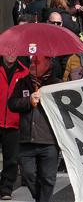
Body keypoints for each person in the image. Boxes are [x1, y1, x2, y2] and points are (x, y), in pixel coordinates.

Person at [8, 55, 62, 202]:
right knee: (28, 175)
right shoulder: (23, 83)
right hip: (26, 140)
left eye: (36, 62)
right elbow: (12, 104)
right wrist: (28, 101)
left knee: (48, 178)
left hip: (49, 140)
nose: (32, 65)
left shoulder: (57, 84)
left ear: (48, 64)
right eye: (31, 62)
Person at [0, 54, 29, 199]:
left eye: (14, 50)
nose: (11, 54)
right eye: (8, 50)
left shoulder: (24, 72)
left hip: (14, 121)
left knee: (11, 159)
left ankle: (6, 189)